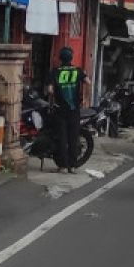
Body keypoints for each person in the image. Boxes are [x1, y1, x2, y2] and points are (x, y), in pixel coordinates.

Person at [47, 46, 88, 174]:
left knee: (62, 138)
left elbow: (50, 90)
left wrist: (54, 96)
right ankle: (73, 166)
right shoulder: (77, 70)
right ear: (71, 58)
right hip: (74, 109)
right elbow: (88, 82)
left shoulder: (55, 71)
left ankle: (63, 166)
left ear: (60, 58)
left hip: (60, 110)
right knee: (73, 138)